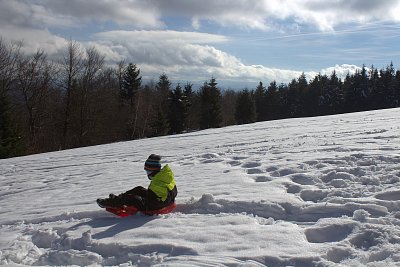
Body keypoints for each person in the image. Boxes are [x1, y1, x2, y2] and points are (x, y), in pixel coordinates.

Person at [97, 154, 177, 211]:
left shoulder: (156, 183)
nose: (147, 174)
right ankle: (118, 198)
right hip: (164, 200)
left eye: (147, 171)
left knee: (131, 198)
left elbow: (154, 200)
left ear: (153, 170)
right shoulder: (165, 177)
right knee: (139, 189)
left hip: (153, 206)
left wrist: (141, 200)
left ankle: (111, 203)